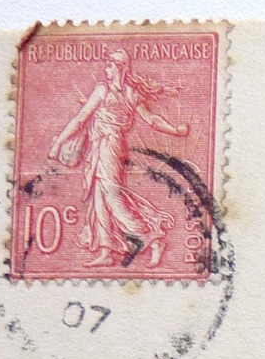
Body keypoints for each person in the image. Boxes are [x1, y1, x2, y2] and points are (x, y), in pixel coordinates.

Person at [48, 48, 188, 268]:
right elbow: (81, 118)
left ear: (121, 68)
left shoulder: (120, 92)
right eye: (107, 65)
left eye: (111, 66)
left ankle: (152, 238)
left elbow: (151, 119)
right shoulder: (107, 90)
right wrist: (58, 142)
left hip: (111, 145)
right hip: (99, 145)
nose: (107, 69)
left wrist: (175, 131)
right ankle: (106, 250)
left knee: (111, 194)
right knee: (99, 197)